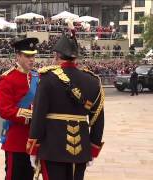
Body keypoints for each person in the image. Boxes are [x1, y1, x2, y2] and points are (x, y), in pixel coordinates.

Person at [27, 33, 105, 180]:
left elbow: (38, 116)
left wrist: (33, 147)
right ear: (75, 58)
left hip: (52, 148)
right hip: (81, 149)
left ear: (57, 56)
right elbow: (97, 119)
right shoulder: (93, 81)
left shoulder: (47, 78)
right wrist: (93, 148)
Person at [0, 37, 39, 180]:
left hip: (34, 140)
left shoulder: (37, 76)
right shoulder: (7, 78)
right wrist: (33, 116)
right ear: (18, 56)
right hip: (17, 141)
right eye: (27, 56)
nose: (32, 59)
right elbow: (4, 110)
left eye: (33, 55)